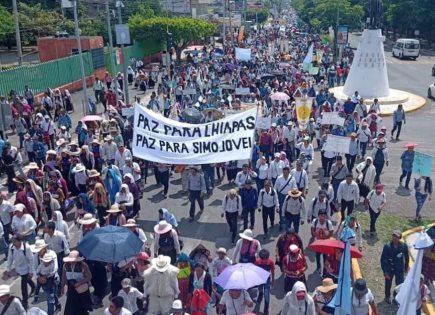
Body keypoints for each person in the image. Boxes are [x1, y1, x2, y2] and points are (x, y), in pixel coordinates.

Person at [4, 235, 35, 309]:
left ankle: (25, 302)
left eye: (15, 241)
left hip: (26, 268)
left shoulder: (26, 248)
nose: (13, 243)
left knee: (23, 286)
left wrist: (31, 271)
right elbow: (10, 259)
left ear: (20, 241)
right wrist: (8, 269)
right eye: (13, 241)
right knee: (27, 279)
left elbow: (31, 260)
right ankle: (34, 287)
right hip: (19, 268)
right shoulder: (11, 247)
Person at [380, 230, 409, 304]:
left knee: (400, 284)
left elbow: (406, 257)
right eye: (394, 236)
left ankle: (396, 297)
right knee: (388, 283)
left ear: (399, 238)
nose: (395, 238)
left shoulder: (404, 246)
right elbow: (383, 259)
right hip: (390, 268)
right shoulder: (387, 246)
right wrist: (385, 271)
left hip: (399, 269)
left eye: (397, 237)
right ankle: (387, 296)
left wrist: (406, 267)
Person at [60, 250, 92, 315]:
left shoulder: (83, 265)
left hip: (81, 289)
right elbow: (64, 277)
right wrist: (62, 287)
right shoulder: (65, 266)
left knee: (82, 308)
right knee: (70, 308)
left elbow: (89, 277)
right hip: (71, 289)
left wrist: (80, 283)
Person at [255, 249, 275, 315]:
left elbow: (272, 271)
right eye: (262, 259)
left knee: (267, 295)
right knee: (260, 290)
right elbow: (255, 271)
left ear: (268, 257)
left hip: (267, 280)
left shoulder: (270, 262)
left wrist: (273, 279)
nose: (264, 261)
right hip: (259, 280)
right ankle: (260, 294)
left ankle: (266, 309)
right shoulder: (257, 262)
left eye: (265, 259)